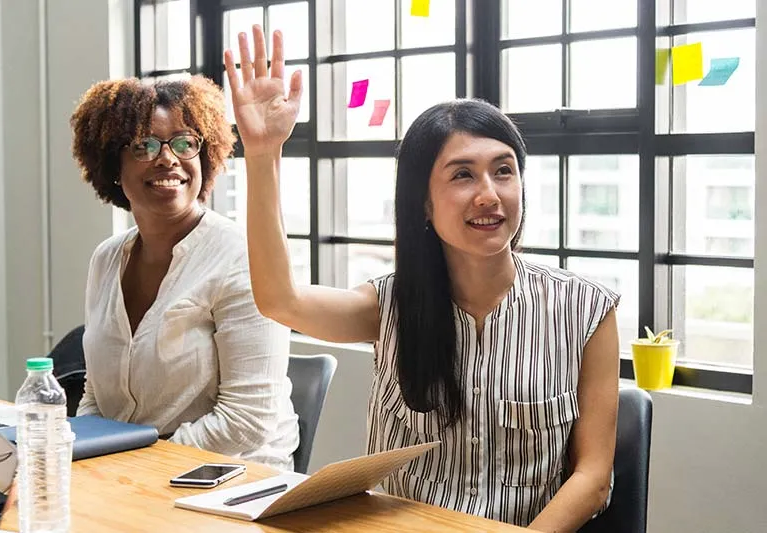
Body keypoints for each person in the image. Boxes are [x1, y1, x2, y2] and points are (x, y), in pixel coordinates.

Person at [226, 25, 621, 531]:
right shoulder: (390, 305)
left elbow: (593, 476)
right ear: (424, 205)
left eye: (504, 171)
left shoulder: (586, 310)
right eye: (462, 175)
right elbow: (280, 300)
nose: (489, 194)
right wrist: (263, 155)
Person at [70, 75, 299, 471]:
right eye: (143, 145)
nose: (168, 158)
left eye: (184, 143)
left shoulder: (241, 256)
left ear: (204, 156)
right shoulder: (106, 259)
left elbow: (247, 422)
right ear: (112, 164)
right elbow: (97, 393)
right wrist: (85, 457)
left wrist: (138, 467)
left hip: (232, 481)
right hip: (131, 478)